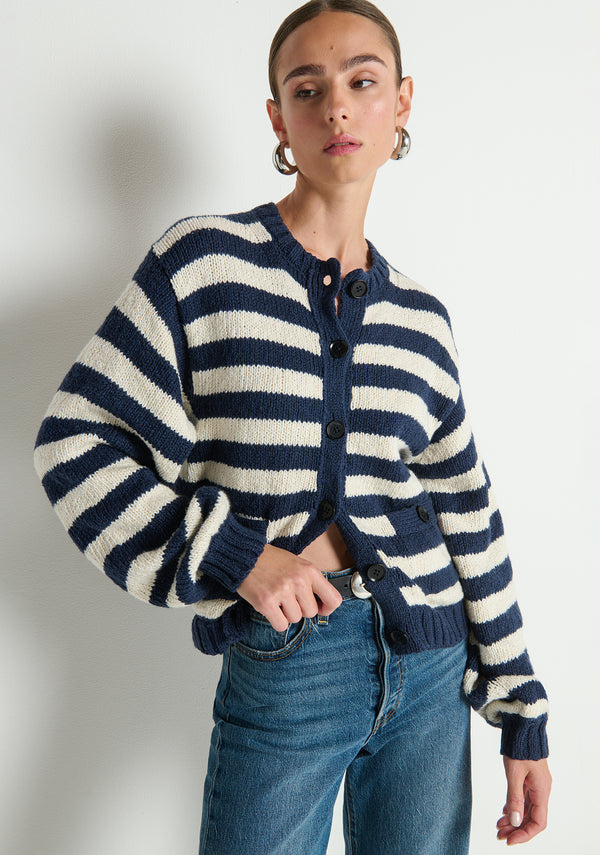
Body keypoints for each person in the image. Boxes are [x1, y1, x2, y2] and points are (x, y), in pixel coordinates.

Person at [33, 1, 552, 852]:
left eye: (362, 81)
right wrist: (235, 556)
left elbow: (467, 509)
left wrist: (521, 709)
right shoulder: (203, 264)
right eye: (307, 89)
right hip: (288, 663)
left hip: (429, 668)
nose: (337, 108)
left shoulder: (422, 319)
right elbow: (76, 443)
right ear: (278, 119)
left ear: (403, 103)